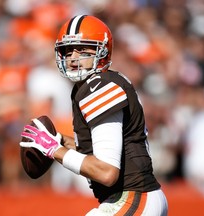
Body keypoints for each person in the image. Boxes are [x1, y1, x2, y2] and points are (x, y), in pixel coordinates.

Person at [20, 15, 168, 215]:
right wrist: (64, 142)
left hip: (133, 197)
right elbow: (105, 149)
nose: (73, 57)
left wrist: (54, 149)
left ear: (103, 51)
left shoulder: (99, 87)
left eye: (83, 49)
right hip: (133, 198)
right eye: (68, 50)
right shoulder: (96, 84)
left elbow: (107, 172)